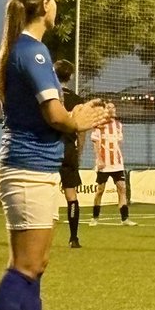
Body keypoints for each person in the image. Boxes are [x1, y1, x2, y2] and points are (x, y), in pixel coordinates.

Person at [0, 0, 109, 310]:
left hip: (34, 167)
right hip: (27, 168)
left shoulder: (23, 50)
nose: (57, 6)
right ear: (44, 5)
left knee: (37, 265)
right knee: (25, 265)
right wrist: (78, 120)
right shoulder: (32, 53)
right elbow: (55, 116)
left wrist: (76, 117)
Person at [53, 59, 85, 249]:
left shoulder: (49, 98)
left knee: (44, 195)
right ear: (70, 77)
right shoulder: (78, 101)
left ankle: (40, 238)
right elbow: (81, 130)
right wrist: (78, 152)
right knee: (71, 195)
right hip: (69, 150)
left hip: (49, 148)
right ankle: (74, 238)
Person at [90, 102, 135, 226]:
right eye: (108, 107)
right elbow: (95, 144)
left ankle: (124, 218)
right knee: (100, 190)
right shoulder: (99, 125)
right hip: (104, 164)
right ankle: (95, 217)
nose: (111, 109)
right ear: (104, 110)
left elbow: (118, 143)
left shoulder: (118, 125)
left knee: (122, 188)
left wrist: (118, 157)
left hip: (117, 164)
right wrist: (99, 159)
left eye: (113, 107)